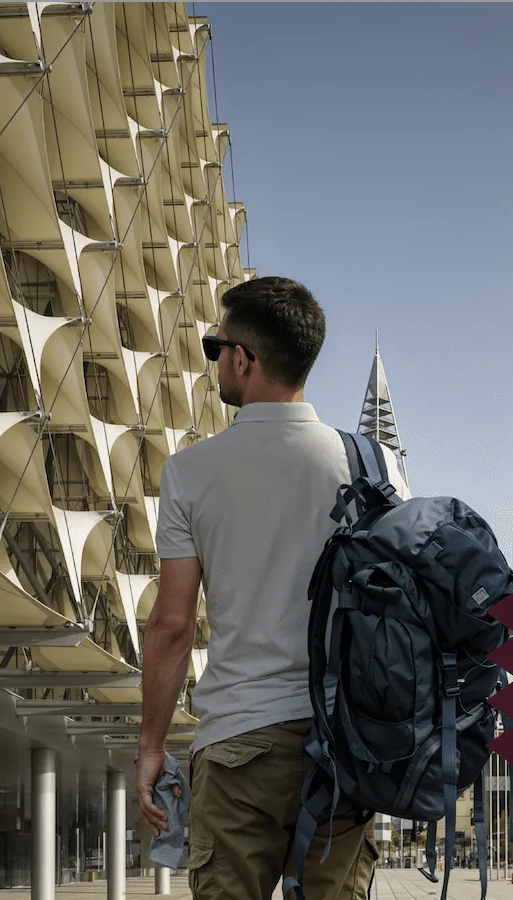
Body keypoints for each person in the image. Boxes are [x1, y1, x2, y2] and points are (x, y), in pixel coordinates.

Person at [135, 277, 411, 900]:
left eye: (216, 348)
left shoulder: (190, 472)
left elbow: (173, 627)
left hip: (239, 743)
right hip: (344, 744)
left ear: (245, 359)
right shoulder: (374, 465)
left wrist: (151, 746)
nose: (214, 361)